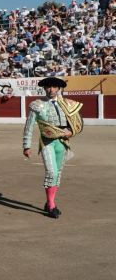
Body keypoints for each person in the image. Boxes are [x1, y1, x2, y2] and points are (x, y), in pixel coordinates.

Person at [22, 77, 84, 218]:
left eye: (54, 87)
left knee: (58, 173)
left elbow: (78, 122)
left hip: (62, 142)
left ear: (59, 88)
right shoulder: (37, 105)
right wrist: (26, 145)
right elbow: (29, 126)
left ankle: (50, 201)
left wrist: (71, 132)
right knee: (51, 173)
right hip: (47, 142)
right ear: (44, 88)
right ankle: (51, 205)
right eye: (48, 87)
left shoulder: (67, 104)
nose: (51, 90)